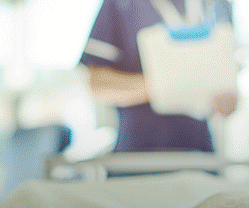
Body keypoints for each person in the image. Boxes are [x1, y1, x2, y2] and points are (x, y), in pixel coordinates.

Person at [80, 0, 237, 153]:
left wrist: (226, 101)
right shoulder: (120, 4)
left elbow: (229, 83)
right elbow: (97, 84)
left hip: (199, 153)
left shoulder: (218, 4)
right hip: (140, 155)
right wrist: (165, 84)